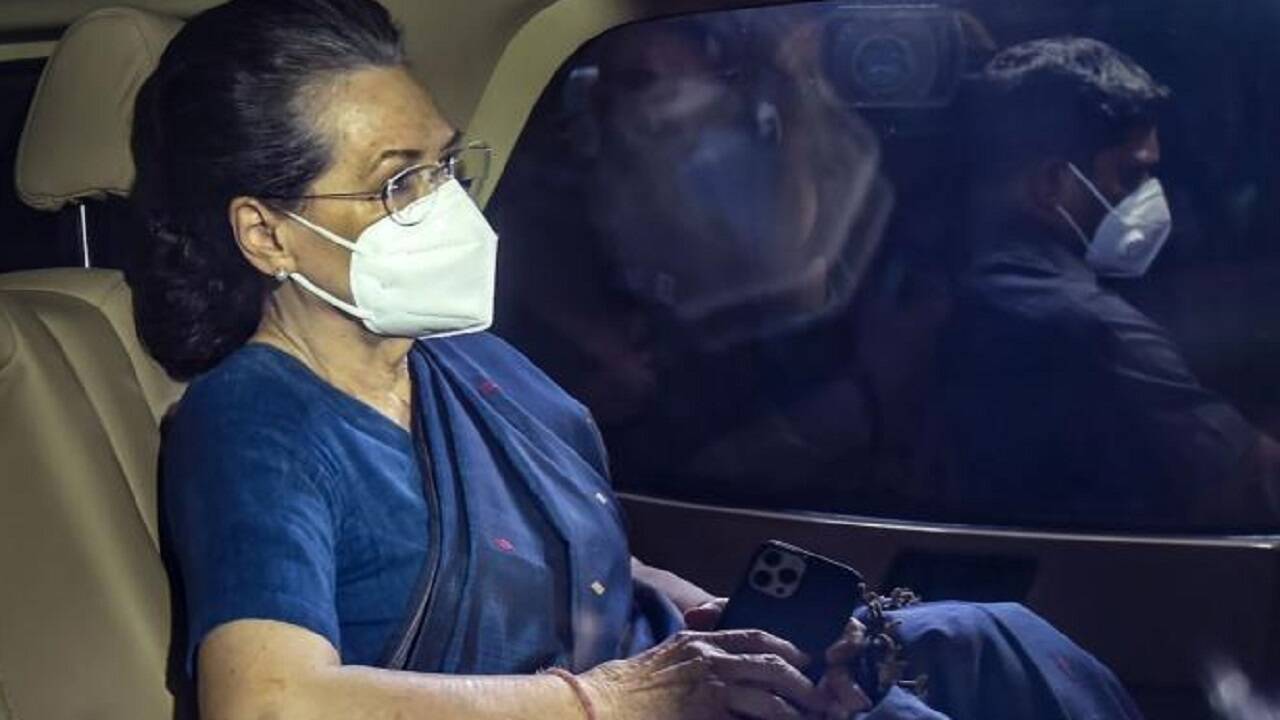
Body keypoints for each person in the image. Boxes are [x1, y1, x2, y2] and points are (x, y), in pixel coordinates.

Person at [131, 2, 1145, 718]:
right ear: (265, 233)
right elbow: (269, 703)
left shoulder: (469, 366)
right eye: (399, 183)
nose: (445, 205)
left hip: (656, 671)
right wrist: (612, 697)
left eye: (444, 164)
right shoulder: (254, 421)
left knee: (991, 638)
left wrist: (715, 627)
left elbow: (569, 555)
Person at [939, 36, 1280, 529]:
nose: (1151, 198)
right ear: (1051, 184)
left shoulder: (951, 285)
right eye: (1131, 175)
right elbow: (1253, 488)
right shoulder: (1093, 331)